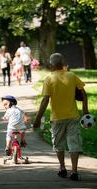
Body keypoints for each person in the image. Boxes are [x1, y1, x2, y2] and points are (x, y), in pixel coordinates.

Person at [33, 53, 89, 181]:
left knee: (59, 144)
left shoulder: (49, 79)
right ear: (63, 63)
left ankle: (62, 168)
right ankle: (74, 171)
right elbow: (83, 93)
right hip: (73, 116)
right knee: (74, 144)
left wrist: (37, 119)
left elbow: (45, 101)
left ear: (51, 65)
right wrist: (85, 110)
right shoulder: (72, 75)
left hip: (57, 118)